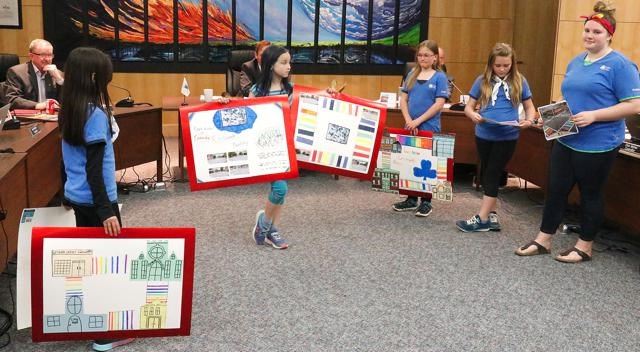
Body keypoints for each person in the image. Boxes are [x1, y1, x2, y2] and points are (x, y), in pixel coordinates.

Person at [515, 1, 640, 263]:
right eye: (587, 31)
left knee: (590, 194)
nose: (590, 36)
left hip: (599, 142)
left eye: (596, 32)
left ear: (609, 35)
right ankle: (543, 240)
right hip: (567, 137)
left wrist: (595, 115)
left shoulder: (620, 65)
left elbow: (634, 104)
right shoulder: (576, 61)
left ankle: (584, 246)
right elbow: (569, 95)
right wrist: (547, 118)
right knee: (556, 189)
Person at [58, 47, 134, 351]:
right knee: (106, 267)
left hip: (78, 197)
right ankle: (104, 336)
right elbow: (94, 168)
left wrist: (65, 190)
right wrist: (107, 211)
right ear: (93, 77)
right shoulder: (96, 115)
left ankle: (90, 321)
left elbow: (66, 160)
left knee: (89, 262)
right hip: (97, 202)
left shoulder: (71, 109)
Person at [455, 43, 536, 232]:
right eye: (498, 65)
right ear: (491, 64)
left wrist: (529, 120)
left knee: (493, 172)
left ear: (512, 64)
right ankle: (491, 214)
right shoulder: (482, 80)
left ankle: (482, 218)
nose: (501, 69)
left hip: (507, 135)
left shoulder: (519, 80)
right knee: (486, 173)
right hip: (484, 133)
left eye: (506, 66)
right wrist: (472, 115)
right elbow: (469, 106)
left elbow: (530, 107)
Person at [392, 39, 449, 217]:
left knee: (427, 165)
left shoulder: (440, 77)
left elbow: (439, 103)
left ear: (435, 58)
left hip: (428, 127)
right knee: (410, 162)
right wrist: (409, 120)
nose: (423, 58)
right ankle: (410, 198)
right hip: (410, 126)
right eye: (420, 55)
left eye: (427, 55)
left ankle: (426, 202)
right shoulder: (411, 74)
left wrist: (418, 121)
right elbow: (403, 99)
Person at [249, 45, 292, 249]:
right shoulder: (257, 91)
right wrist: (224, 102)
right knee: (280, 187)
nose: (288, 67)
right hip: (264, 147)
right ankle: (264, 225)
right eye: (283, 62)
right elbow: (244, 114)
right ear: (270, 65)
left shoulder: (291, 90)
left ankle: (272, 229)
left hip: (284, 147)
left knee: (281, 190)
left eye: (289, 62)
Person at [5, 38, 64, 109]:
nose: (48, 59)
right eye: (43, 55)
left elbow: (70, 99)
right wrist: (38, 105)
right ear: (31, 56)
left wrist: (60, 80)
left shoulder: (57, 73)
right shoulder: (17, 72)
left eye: (50, 55)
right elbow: (12, 99)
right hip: (29, 117)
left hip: (51, 116)